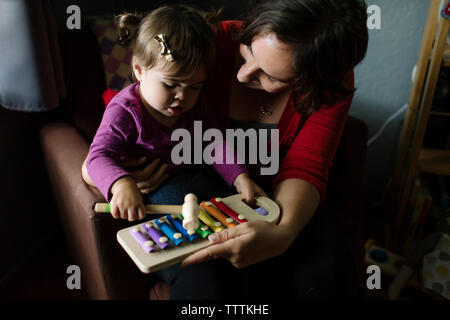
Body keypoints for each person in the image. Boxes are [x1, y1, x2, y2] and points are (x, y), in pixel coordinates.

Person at [84, 0, 368, 299]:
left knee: (326, 273)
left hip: (262, 190)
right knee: (205, 275)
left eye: (272, 77)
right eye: (248, 50)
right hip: (184, 183)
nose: (244, 75)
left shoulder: (327, 83)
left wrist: (274, 225)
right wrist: (120, 180)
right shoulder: (198, 48)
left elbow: (298, 164)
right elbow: (97, 156)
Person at [84, 5, 265, 222]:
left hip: (194, 171)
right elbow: (98, 157)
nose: (182, 96)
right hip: (160, 186)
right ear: (140, 70)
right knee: (177, 196)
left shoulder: (197, 104)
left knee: (236, 191)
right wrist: (122, 183)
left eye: (194, 87)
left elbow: (213, 143)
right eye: (170, 85)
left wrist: (239, 177)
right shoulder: (124, 111)